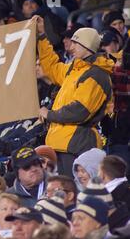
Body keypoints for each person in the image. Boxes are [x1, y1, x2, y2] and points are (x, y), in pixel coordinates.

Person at [36, 15, 113, 178]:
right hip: (59, 142)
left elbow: (79, 111)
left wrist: (48, 114)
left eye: (76, 42)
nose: (71, 45)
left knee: (74, 192)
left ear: (88, 46)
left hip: (77, 145)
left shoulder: (97, 74)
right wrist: (42, 35)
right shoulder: (75, 69)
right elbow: (51, 67)